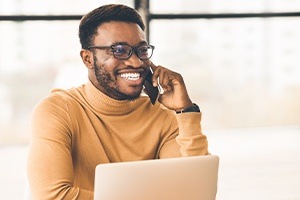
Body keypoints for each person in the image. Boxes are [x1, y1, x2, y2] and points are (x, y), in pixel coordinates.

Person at [27, 4, 209, 200]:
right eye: (120, 50)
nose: (136, 62)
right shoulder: (58, 110)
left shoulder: (163, 114)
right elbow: (53, 196)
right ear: (88, 58)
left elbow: (194, 193)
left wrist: (185, 111)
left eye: (141, 50)